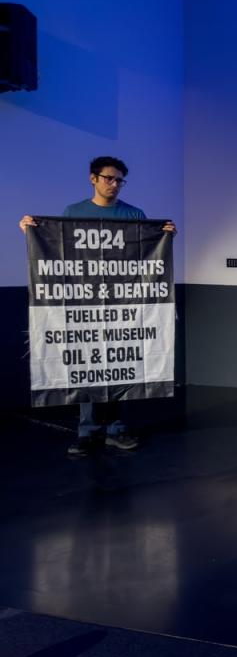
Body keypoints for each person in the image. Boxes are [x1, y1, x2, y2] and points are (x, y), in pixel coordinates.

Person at [19, 156, 176, 456]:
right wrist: (31, 230)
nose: (114, 184)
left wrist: (165, 235)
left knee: (120, 367)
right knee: (87, 367)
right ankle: (88, 431)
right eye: (109, 178)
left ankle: (115, 428)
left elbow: (146, 254)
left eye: (119, 180)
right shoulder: (73, 212)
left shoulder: (134, 214)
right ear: (93, 179)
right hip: (85, 306)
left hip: (123, 308)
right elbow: (57, 249)